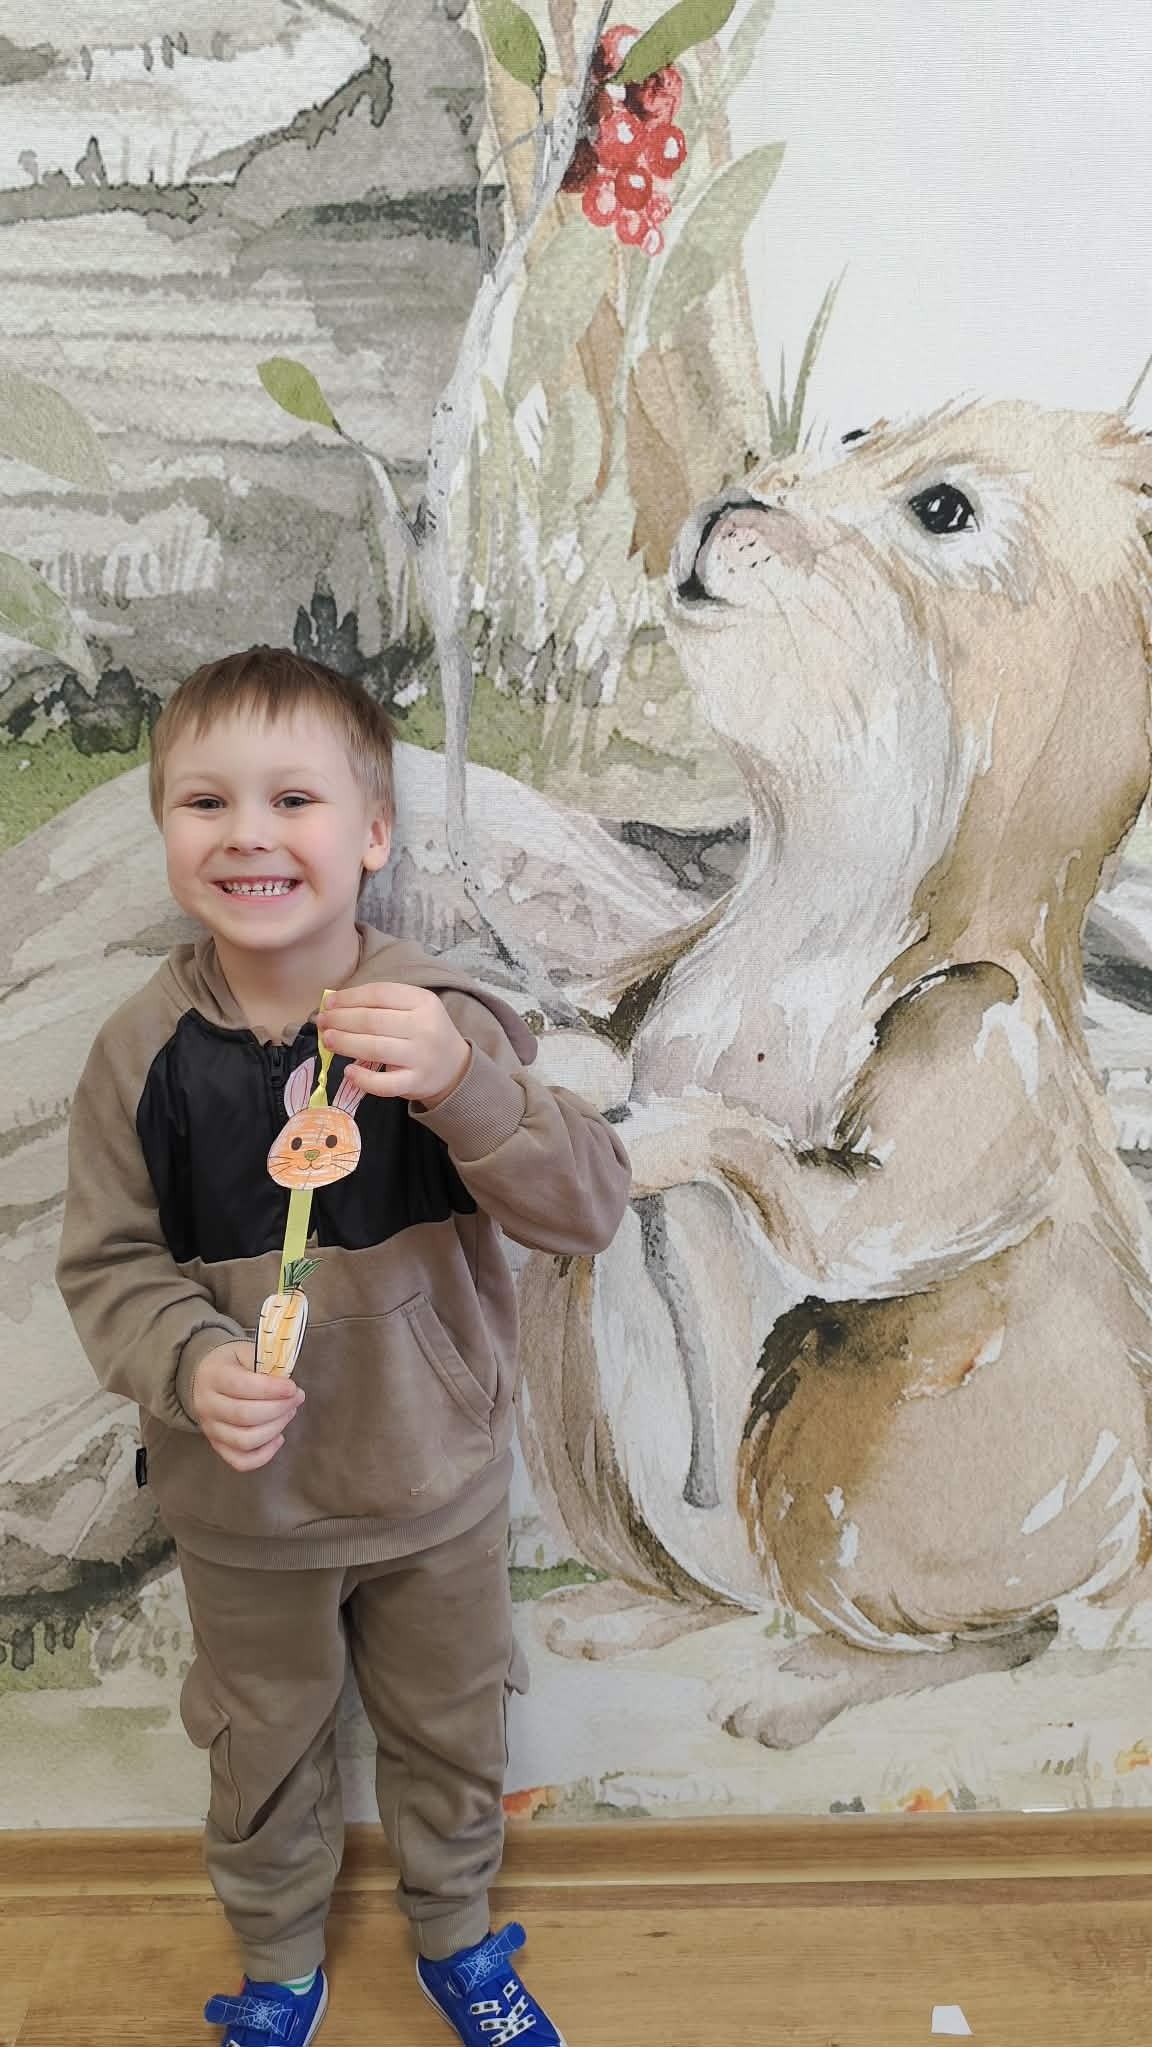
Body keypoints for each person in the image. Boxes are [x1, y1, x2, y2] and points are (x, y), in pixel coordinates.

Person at [56, 646, 632, 2047]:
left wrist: (465, 1085)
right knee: (260, 1739)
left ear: (373, 834)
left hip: (434, 1489)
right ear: (166, 829)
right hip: (243, 1510)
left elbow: (587, 1210)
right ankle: (279, 1962)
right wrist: (190, 1364)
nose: (247, 833)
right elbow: (110, 1266)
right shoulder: (139, 1055)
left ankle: (459, 1939)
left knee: (454, 1728)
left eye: (293, 799)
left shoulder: (449, 1023)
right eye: (206, 802)